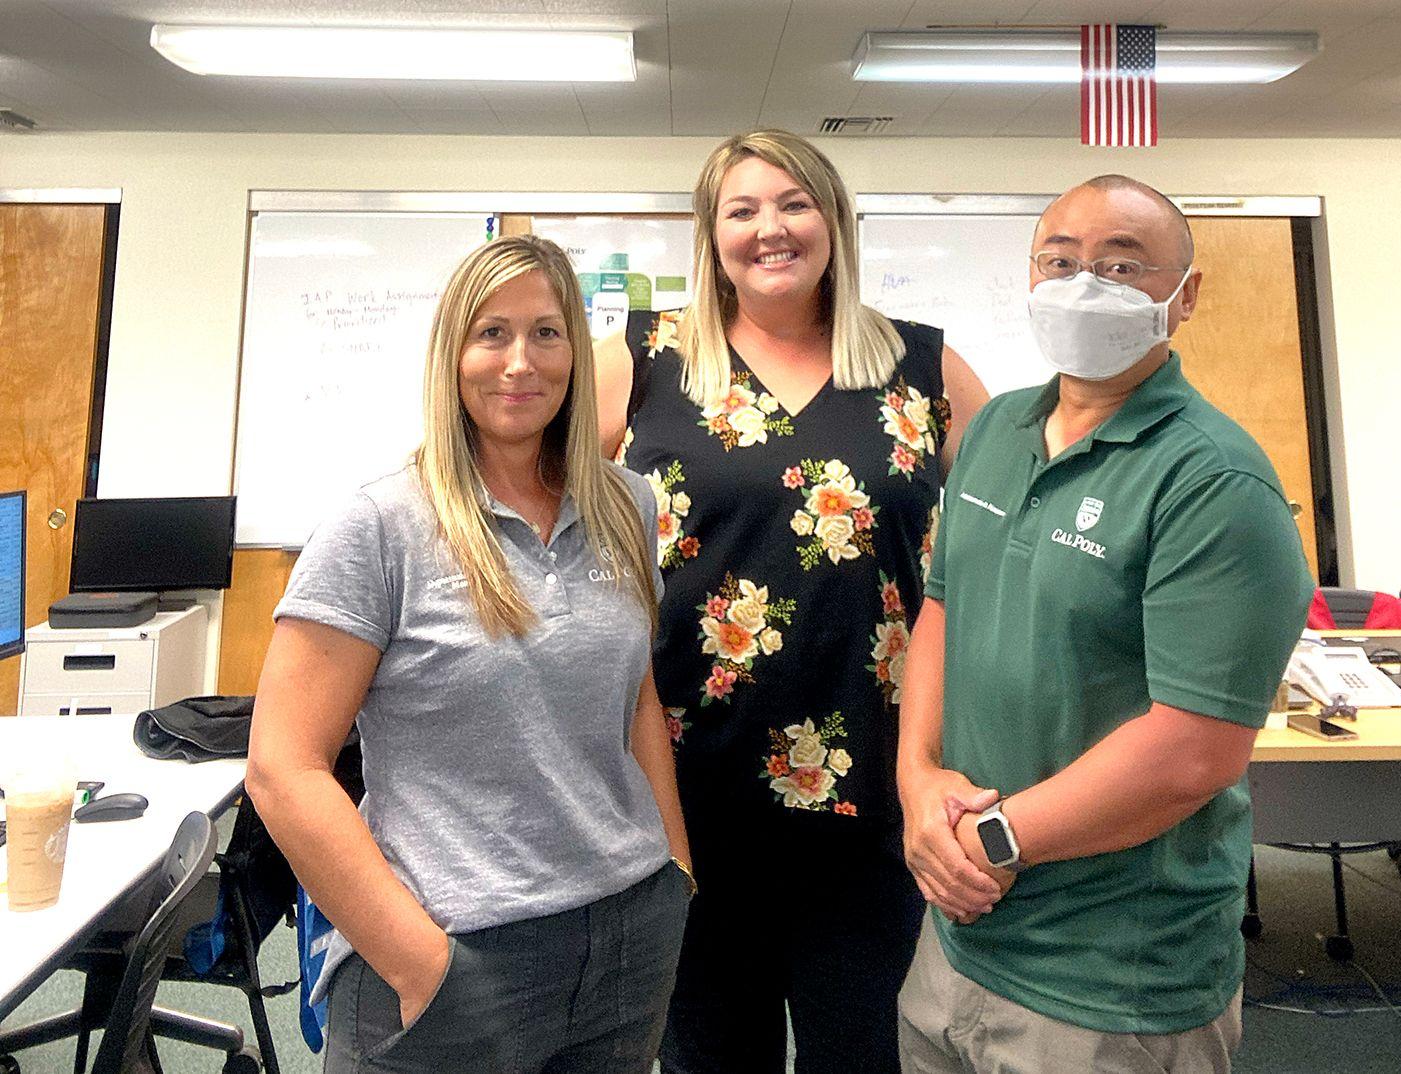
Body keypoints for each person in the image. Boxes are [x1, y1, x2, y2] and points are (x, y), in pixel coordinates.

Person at [896, 175, 1314, 1074]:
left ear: (1184, 296)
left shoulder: (1213, 482)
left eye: (1123, 268)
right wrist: (917, 780)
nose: (1086, 285)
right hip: (959, 937)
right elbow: (941, 607)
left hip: (1112, 977)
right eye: (1061, 262)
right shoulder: (1000, 427)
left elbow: (1192, 753)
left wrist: (995, 841)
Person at [247, 234, 693, 1074]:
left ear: (578, 352)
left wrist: (673, 868)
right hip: (457, 954)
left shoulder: (629, 504)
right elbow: (282, 767)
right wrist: (420, 963)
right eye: (491, 333)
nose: (520, 361)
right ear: (452, 353)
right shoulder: (380, 526)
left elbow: (637, 696)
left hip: (628, 936)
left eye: (547, 333)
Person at [595, 129, 989, 1074]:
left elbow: (1011, 532)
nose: (770, 229)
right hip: (685, 799)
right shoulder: (646, 363)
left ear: (834, 221)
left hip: (875, 797)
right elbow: (523, 495)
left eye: (795, 204)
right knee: (706, 1055)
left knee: (865, 1055)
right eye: (743, 210)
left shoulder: (922, 368)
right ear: (711, 234)